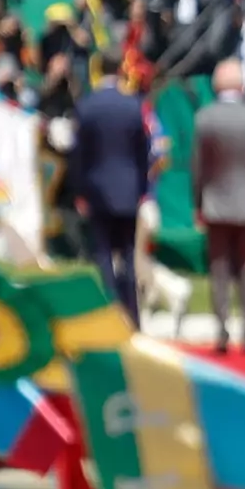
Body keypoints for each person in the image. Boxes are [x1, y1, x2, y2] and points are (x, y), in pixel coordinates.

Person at [189, 57, 245, 353]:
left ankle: (222, 329)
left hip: (215, 203)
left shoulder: (205, 117)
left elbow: (198, 167)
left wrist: (197, 202)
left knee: (219, 267)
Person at [66, 61, 155, 318]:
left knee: (103, 253)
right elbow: (143, 152)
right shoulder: (133, 105)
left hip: (97, 190)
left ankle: (110, 311)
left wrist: (79, 191)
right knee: (128, 253)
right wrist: (142, 188)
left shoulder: (87, 106)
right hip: (129, 190)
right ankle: (132, 314)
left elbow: (79, 155)